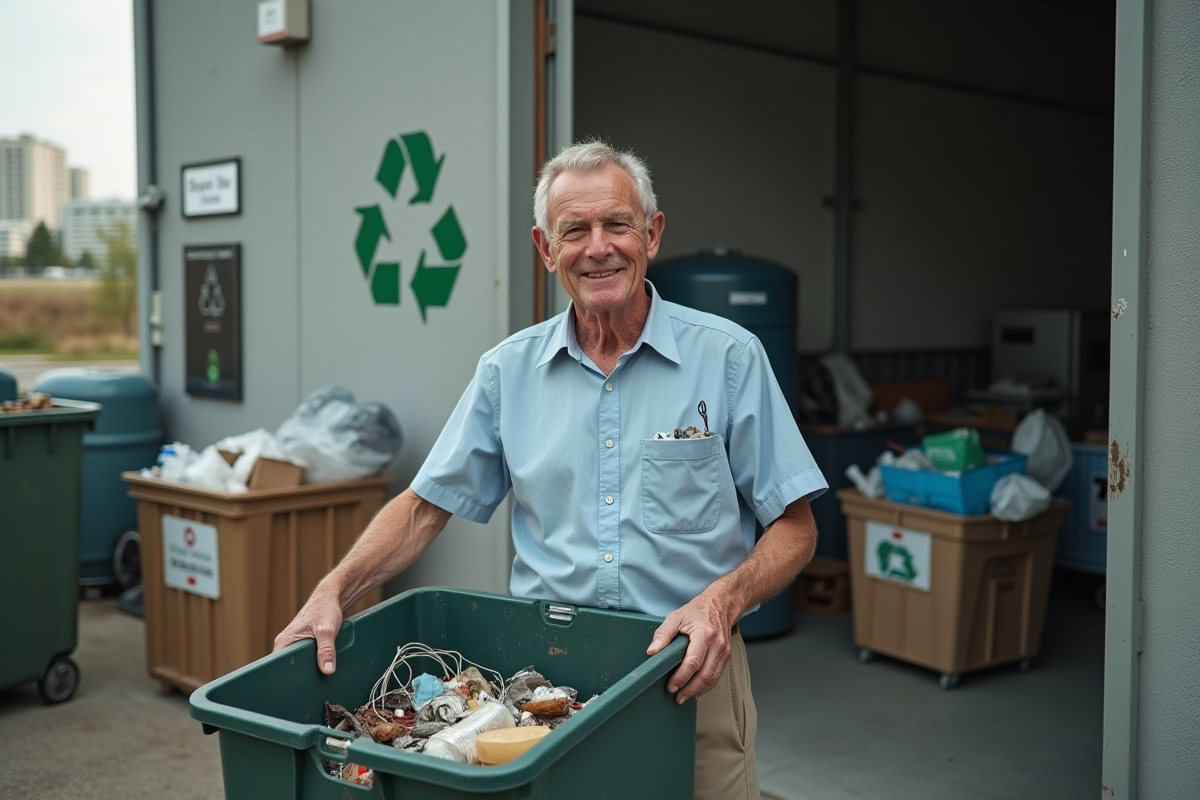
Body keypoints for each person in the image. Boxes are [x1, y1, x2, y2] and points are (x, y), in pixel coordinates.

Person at [274, 140, 827, 800]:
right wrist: (335, 589)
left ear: (651, 233)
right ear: (545, 248)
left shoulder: (730, 358)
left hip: (691, 676)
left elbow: (796, 528)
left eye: (617, 224)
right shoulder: (508, 372)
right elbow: (425, 507)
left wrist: (722, 600)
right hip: (548, 687)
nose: (599, 248)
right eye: (575, 231)